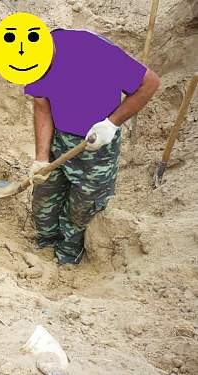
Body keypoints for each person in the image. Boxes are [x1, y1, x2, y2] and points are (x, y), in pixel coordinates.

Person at [25, 29, 160, 265]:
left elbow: (150, 83)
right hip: (60, 138)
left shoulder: (96, 52)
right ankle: (46, 243)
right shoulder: (28, 59)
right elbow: (41, 105)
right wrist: (41, 158)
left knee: (81, 209)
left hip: (98, 146)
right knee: (44, 201)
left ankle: (69, 253)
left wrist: (111, 123)